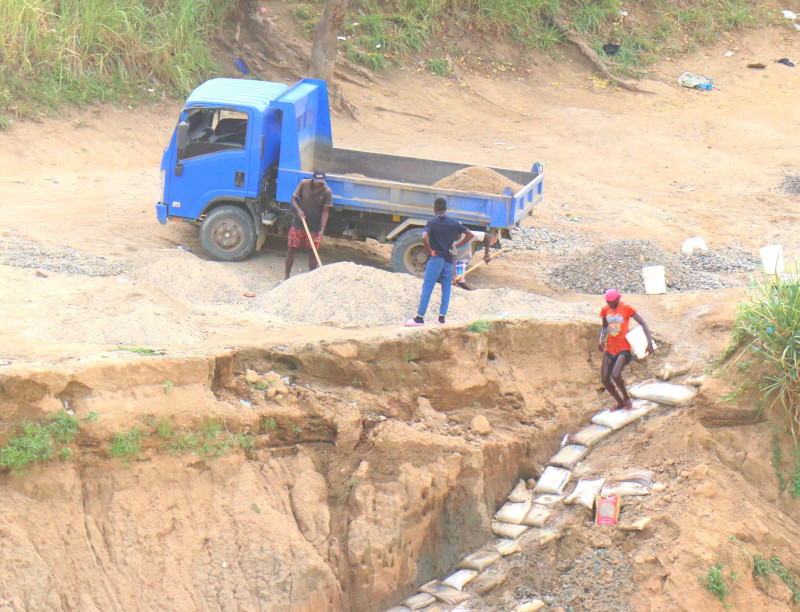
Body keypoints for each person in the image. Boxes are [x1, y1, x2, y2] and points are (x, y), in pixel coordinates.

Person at [406, 198, 473, 326]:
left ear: (434, 209)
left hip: (436, 258)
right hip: (448, 260)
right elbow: (469, 234)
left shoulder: (432, 223)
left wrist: (430, 250)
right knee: (446, 289)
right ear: (446, 209)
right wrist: (457, 246)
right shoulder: (454, 223)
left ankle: (419, 318)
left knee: (428, 287)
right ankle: (441, 318)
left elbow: (424, 236)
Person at [598, 288, 654, 411]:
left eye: (612, 302)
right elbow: (605, 327)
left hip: (623, 347)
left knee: (615, 375)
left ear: (618, 299)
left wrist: (649, 342)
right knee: (604, 378)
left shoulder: (626, 308)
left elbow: (643, 323)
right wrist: (600, 340)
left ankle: (627, 399)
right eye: (608, 303)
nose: (610, 305)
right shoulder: (605, 310)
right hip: (610, 347)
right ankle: (620, 403)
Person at [285, 169, 332, 279]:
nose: (319, 183)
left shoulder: (327, 192)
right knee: (291, 248)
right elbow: (294, 199)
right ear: (313, 179)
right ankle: (286, 277)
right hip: (299, 222)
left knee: (313, 252)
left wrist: (322, 229)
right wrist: (299, 211)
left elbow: (325, 211)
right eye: (317, 181)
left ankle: (312, 280)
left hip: (314, 226)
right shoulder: (304, 184)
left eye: (321, 181)